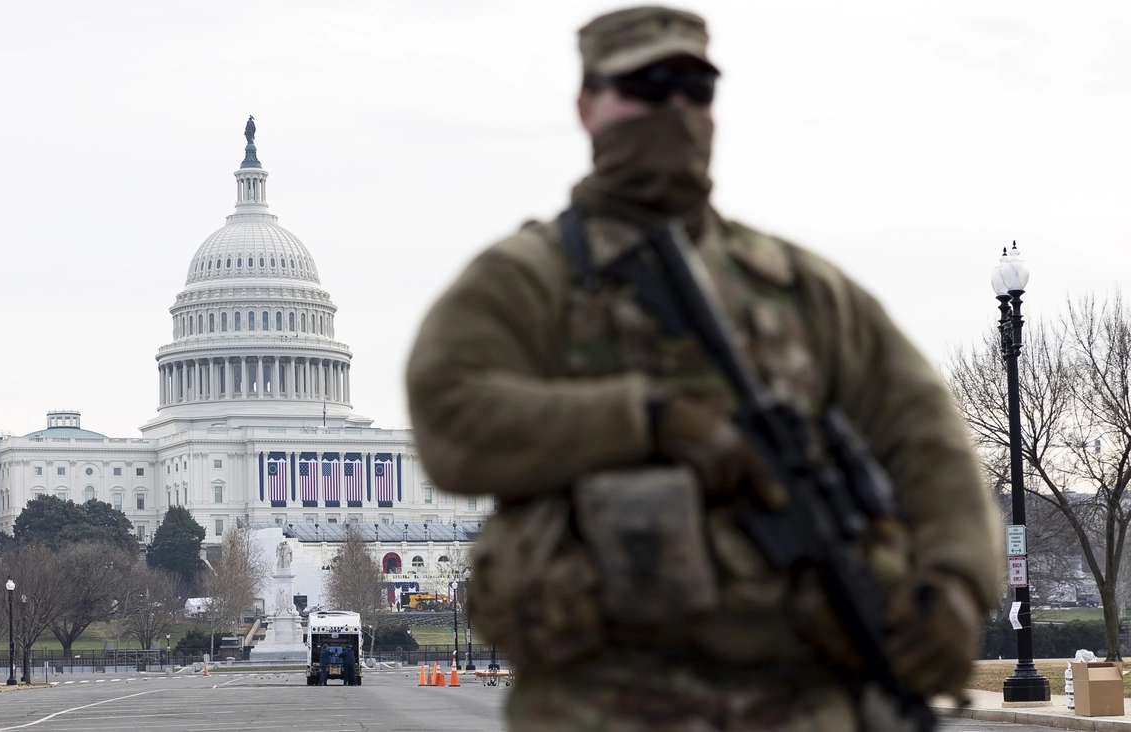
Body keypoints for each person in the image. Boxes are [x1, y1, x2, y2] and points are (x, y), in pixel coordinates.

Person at [406, 5, 1002, 731]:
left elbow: (929, 441)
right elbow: (451, 414)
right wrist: (646, 420)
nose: (676, 109)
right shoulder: (529, 280)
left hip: (805, 700)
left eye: (696, 87)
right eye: (646, 86)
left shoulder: (803, 291)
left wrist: (956, 584)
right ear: (587, 105)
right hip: (601, 703)